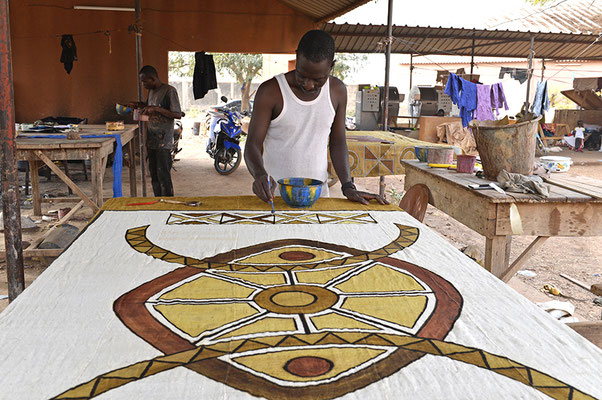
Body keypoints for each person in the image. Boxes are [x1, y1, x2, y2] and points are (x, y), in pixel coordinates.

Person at [244, 30, 387, 205]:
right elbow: (252, 143)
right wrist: (259, 175)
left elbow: (338, 142)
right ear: (297, 58)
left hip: (317, 199)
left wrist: (348, 186)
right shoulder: (271, 92)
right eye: (302, 76)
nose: (309, 85)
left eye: (318, 79)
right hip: (275, 199)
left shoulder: (337, 91)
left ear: (331, 66)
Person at [130, 65, 182, 196]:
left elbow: (177, 114)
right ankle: (158, 203)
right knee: (154, 175)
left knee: (163, 175)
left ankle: (167, 205)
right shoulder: (152, 91)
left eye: (144, 81)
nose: (143, 84)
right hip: (152, 139)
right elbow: (149, 106)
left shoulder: (169, 91)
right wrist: (138, 104)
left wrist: (156, 109)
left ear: (152, 78)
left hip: (164, 141)